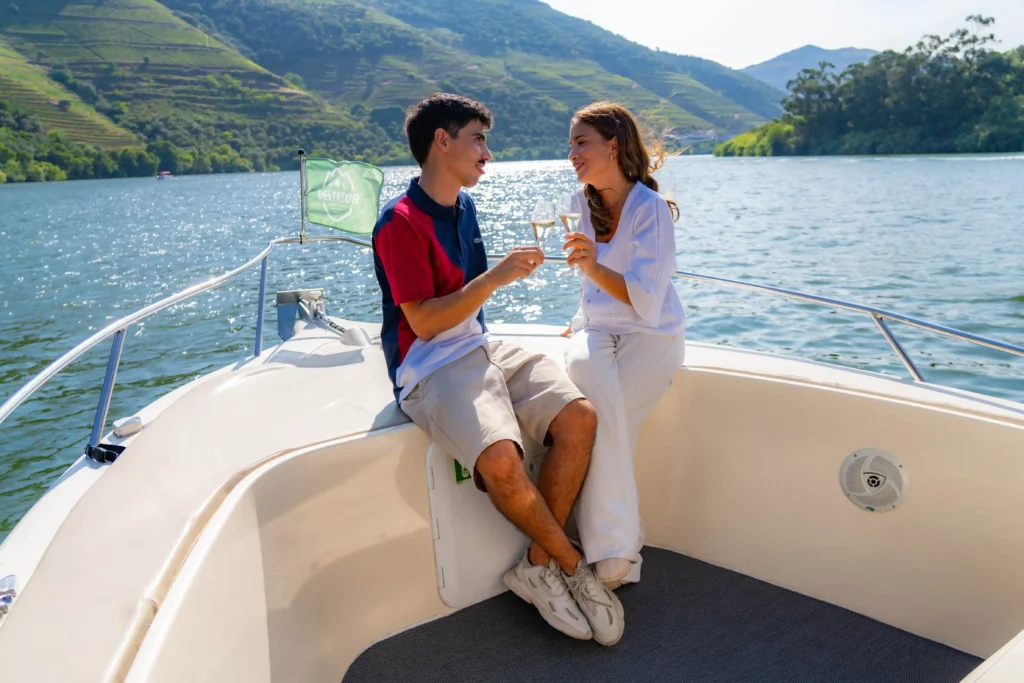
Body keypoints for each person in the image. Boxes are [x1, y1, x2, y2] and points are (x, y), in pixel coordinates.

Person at [372, 93, 625, 646]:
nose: (487, 153)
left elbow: (467, 310)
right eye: (477, 139)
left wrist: (498, 279)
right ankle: (572, 567)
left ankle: (535, 565)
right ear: (443, 141)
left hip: (480, 345)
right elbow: (427, 322)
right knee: (501, 459)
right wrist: (494, 279)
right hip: (429, 364)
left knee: (579, 417)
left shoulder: (464, 207)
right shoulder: (400, 222)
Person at [563, 102, 687, 590]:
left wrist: (593, 266)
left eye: (580, 142)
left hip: (651, 336)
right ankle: (618, 552)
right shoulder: (578, 203)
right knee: (599, 411)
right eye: (570, 144)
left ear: (612, 145)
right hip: (594, 329)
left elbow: (647, 300)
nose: (571, 153)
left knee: (606, 423)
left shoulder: (650, 209)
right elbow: (588, 291)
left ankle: (611, 555)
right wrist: (578, 318)